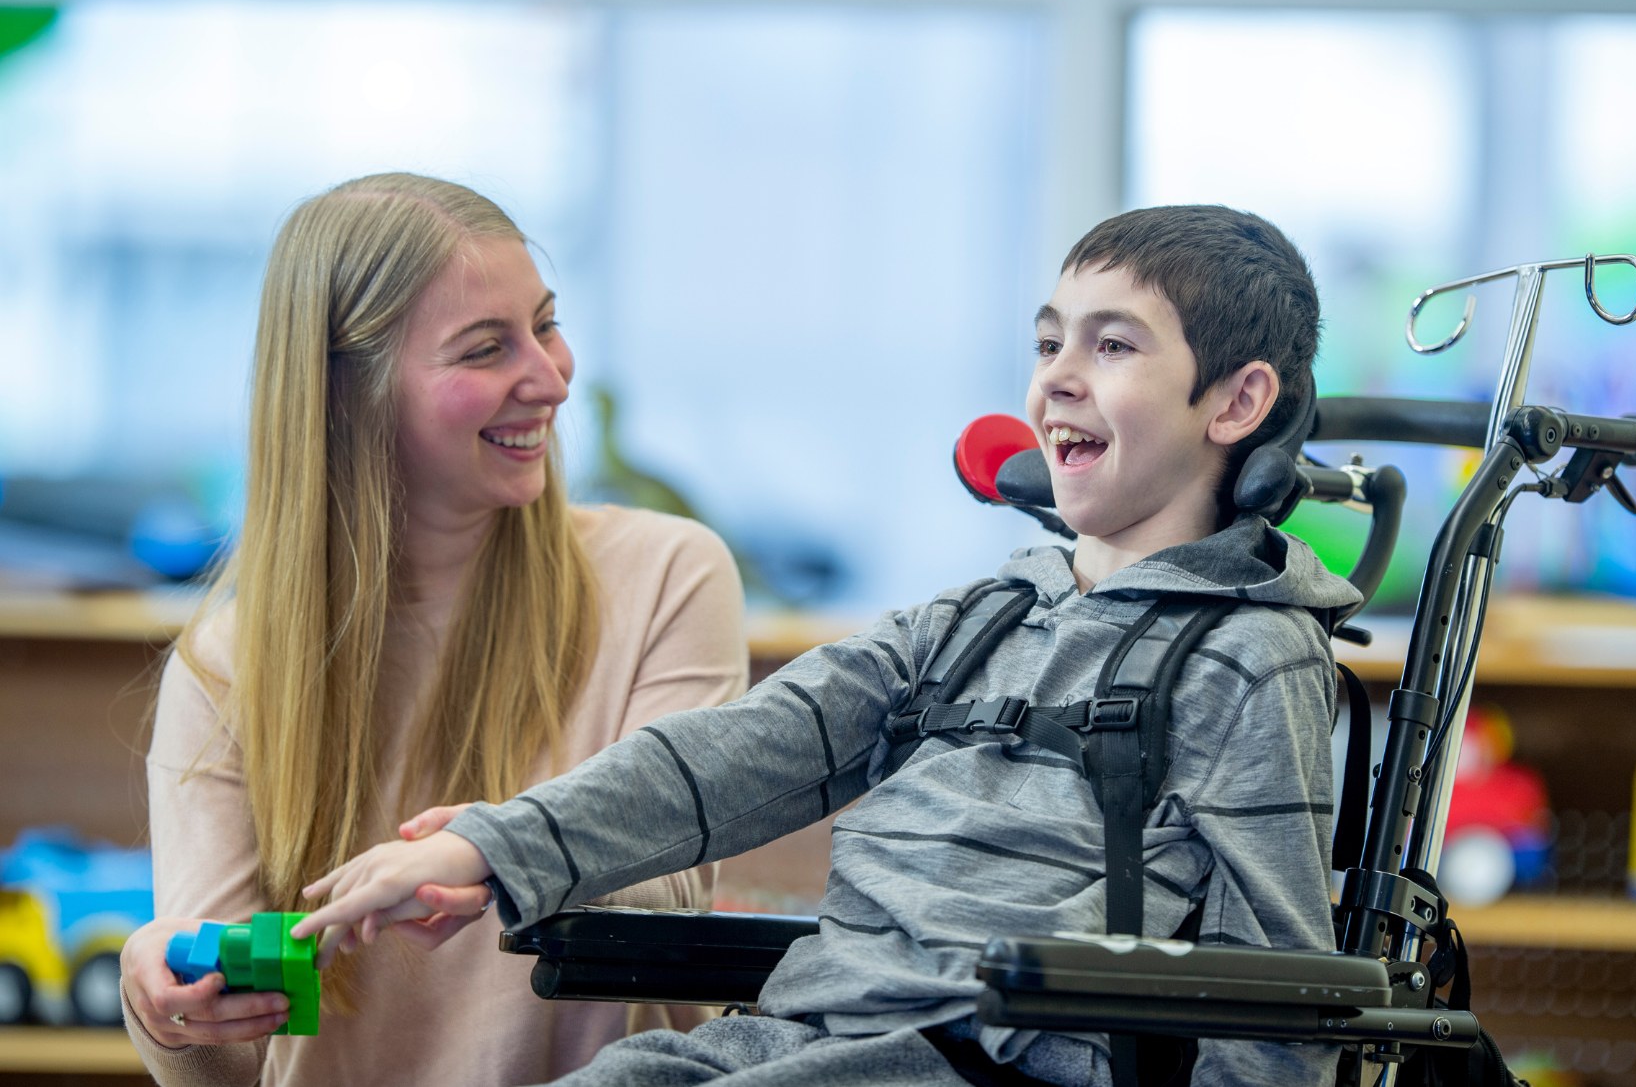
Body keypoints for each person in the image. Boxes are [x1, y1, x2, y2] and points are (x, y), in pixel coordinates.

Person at [296, 205, 1361, 1087]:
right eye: (1048, 344)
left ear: (1236, 401)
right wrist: (490, 847)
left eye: (1113, 345)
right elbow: (733, 754)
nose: (1057, 380)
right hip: (800, 1040)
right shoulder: (973, 620)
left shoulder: (1249, 657)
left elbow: (1279, 997)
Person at [118, 174, 750, 1086]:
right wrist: (169, 1008)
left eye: (546, 324)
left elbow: (672, 881)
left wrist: (495, 853)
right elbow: (230, 1061)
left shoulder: (668, 576)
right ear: (348, 393)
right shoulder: (225, 669)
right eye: (486, 348)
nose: (552, 377)